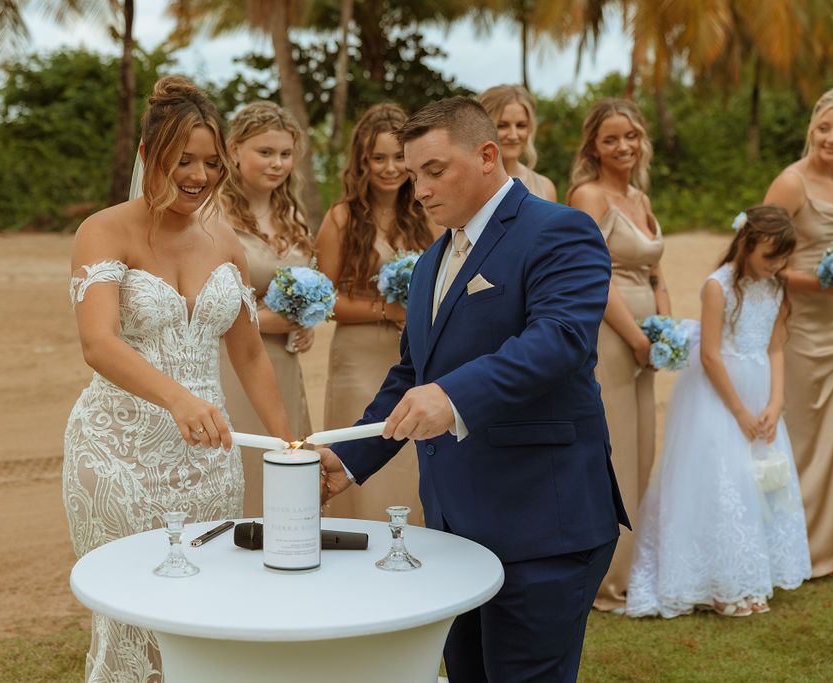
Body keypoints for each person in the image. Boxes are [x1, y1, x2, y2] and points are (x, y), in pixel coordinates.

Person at [319, 96, 628, 682]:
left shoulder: (561, 230)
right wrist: (350, 456)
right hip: (454, 527)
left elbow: (560, 339)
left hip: (543, 522)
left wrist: (456, 396)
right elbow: (414, 375)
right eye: (413, 175)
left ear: (488, 156)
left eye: (434, 171)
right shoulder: (434, 259)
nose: (421, 190)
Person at [63, 76, 292, 682]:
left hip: (209, 462)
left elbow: (248, 356)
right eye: (182, 160)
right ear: (146, 157)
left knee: (204, 604)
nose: (199, 175)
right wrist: (178, 399)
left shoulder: (226, 243)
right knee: (133, 615)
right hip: (117, 454)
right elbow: (98, 342)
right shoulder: (103, 231)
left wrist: (287, 443)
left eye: (212, 163)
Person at [627, 206, 811, 618]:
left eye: (784, 258)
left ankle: (749, 574)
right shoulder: (719, 286)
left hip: (761, 390)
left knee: (760, 483)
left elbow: (776, 347)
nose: (777, 266)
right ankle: (720, 584)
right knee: (722, 483)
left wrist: (775, 402)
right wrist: (740, 412)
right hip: (718, 395)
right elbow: (709, 355)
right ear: (746, 245)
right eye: (770, 257)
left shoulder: (777, 286)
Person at [567, 98, 671, 612]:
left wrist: (664, 326)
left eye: (630, 135)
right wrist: (634, 337)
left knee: (643, 447)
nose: (623, 146)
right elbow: (593, 276)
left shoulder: (640, 196)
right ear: (594, 146)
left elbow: (656, 273)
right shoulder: (588, 196)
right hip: (611, 338)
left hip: (647, 339)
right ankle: (604, 578)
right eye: (611, 139)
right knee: (613, 450)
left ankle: (634, 565)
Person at [315, 103, 438, 523]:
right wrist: (387, 309)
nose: (389, 169)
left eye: (397, 158)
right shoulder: (342, 217)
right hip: (358, 354)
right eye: (377, 158)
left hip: (412, 352)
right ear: (361, 162)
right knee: (360, 444)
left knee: (408, 451)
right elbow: (326, 300)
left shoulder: (427, 214)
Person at [763, 85, 833, 579]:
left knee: (832, 442)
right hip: (795, 326)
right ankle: (783, 550)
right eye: (825, 127)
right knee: (795, 439)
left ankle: (821, 550)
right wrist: (825, 284)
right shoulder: (791, 183)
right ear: (811, 130)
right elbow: (760, 260)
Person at [210, 101, 315, 518]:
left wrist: (306, 324)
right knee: (243, 465)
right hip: (231, 362)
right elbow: (206, 308)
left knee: (285, 462)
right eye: (265, 153)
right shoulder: (212, 214)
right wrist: (277, 321)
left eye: (285, 154)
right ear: (234, 150)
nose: (277, 164)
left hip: (285, 364)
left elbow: (303, 286)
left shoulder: (294, 214)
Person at [476, 84, 557, 201]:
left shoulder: (545, 187)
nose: (513, 136)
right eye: (502, 126)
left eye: (520, 125)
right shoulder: (467, 184)